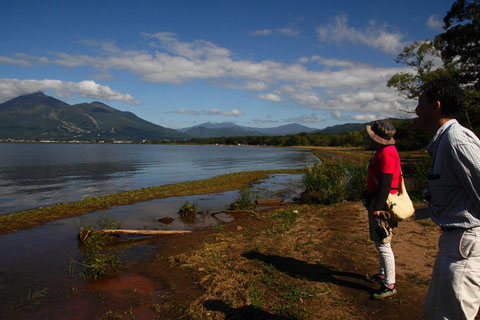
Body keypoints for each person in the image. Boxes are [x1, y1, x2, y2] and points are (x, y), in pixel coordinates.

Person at [417, 78, 480, 320]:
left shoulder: (457, 140)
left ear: (436, 106)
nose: (416, 110)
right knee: (434, 313)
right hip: (453, 242)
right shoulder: (443, 140)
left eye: (420, 103)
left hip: (466, 242)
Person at [364, 119, 402, 299]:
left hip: (382, 203)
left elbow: (386, 184)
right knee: (381, 240)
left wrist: (377, 208)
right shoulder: (384, 151)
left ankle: (389, 284)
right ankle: (382, 274)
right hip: (379, 200)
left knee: (383, 242)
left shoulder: (387, 153)